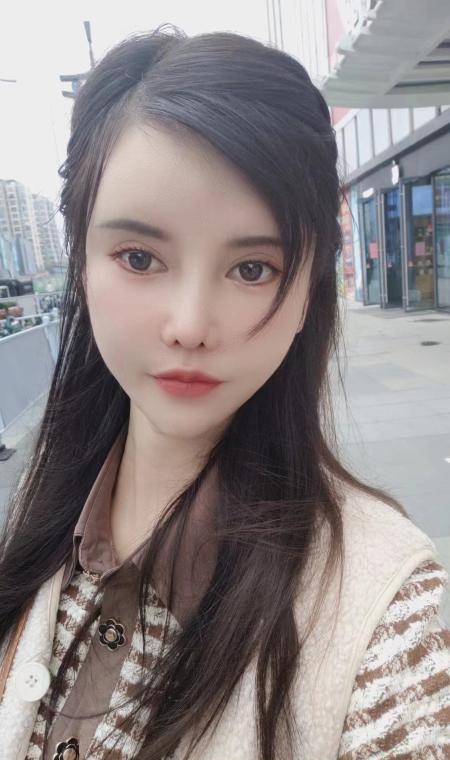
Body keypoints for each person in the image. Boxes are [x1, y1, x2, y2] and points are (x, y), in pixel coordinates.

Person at [0, 25, 449, 760]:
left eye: (252, 269)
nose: (190, 325)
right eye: (139, 257)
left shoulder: (379, 610)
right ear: (81, 261)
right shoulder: (41, 503)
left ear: (309, 293)